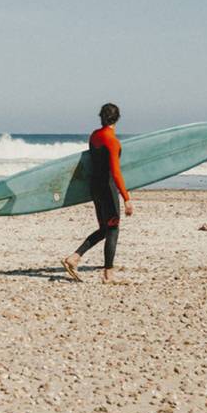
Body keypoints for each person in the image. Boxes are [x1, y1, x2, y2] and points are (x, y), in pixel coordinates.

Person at [62, 103, 134, 283]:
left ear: (101, 117)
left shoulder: (94, 136)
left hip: (95, 187)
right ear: (117, 119)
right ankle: (108, 274)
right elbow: (116, 172)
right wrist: (126, 198)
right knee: (113, 229)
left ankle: (75, 257)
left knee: (104, 229)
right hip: (108, 189)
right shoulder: (112, 141)